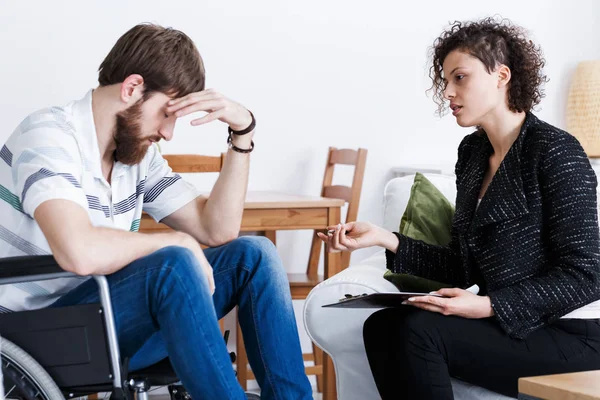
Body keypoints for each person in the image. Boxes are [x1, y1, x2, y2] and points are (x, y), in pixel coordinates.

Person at [0, 23, 312, 400]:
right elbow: (77, 250)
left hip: (101, 319)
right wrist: (177, 243)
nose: (169, 133)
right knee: (172, 262)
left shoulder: (134, 157)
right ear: (132, 89)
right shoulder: (49, 135)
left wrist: (242, 132)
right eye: (167, 114)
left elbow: (217, 230)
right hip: (38, 334)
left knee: (254, 256)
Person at [317, 17, 600, 399]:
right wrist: (387, 239)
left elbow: (585, 275)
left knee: (414, 332)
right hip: (512, 325)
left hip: (571, 335)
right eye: (445, 80)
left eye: (460, 78)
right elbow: (464, 265)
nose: (447, 92)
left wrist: (486, 306)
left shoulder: (555, 152)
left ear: (501, 75)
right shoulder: (473, 153)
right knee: (383, 325)